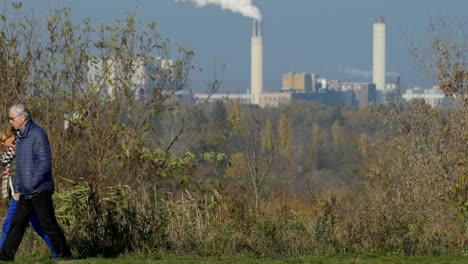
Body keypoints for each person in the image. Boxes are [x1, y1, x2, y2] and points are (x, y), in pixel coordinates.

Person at [0, 104, 72, 261]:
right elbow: (19, 166)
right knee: (16, 223)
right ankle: (5, 257)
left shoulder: (37, 134)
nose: (10, 121)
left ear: (22, 117)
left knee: (48, 224)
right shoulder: (20, 138)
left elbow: (44, 163)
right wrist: (19, 188)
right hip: (26, 191)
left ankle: (65, 255)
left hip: (40, 189)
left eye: (12, 118)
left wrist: (32, 183)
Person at [0, 124, 58, 258]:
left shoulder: (20, 150)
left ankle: (2, 255)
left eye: (4, 140)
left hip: (23, 194)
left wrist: (20, 189)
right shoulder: (11, 153)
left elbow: (25, 172)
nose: (3, 144)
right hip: (21, 194)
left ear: (13, 136)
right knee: (40, 227)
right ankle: (60, 254)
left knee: (9, 224)